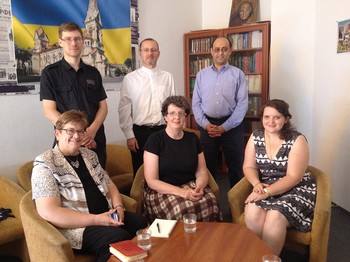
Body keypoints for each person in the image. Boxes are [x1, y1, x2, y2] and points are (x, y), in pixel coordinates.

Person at [31, 110, 147, 262]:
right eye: (70, 131)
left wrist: (119, 206)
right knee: (118, 237)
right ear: (57, 133)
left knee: (140, 223)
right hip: (77, 226)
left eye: (80, 131)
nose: (77, 136)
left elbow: (109, 183)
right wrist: (98, 220)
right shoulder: (45, 163)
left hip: (106, 213)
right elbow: (49, 212)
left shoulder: (89, 155)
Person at [243, 99, 316, 255]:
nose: (271, 121)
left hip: (296, 189)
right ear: (261, 118)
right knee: (251, 210)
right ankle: (255, 255)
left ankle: (269, 258)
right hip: (266, 186)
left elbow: (294, 177)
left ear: (286, 119)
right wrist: (256, 184)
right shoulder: (256, 136)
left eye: (277, 117)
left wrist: (266, 192)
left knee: (274, 217)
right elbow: (248, 166)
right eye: (267, 117)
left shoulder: (297, 140)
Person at [142, 96, 222, 223]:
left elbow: (202, 171)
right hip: (161, 189)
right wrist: (181, 192)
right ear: (165, 116)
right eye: (172, 113)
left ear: (185, 116)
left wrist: (199, 187)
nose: (177, 117)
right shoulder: (155, 141)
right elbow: (152, 181)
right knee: (181, 209)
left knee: (211, 201)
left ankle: (206, 241)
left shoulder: (193, 139)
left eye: (181, 113)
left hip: (189, 185)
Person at [40, 22, 108, 168]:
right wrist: (77, 133)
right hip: (68, 143)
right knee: (69, 188)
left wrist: (92, 130)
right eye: (68, 39)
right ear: (60, 42)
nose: (73, 43)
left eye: (77, 38)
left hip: (94, 140)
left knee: (99, 186)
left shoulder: (93, 72)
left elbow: (103, 107)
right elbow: (49, 110)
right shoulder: (50, 73)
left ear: (83, 41)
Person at [192, 36, 248, 187]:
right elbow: (196, 104)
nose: (220, 53)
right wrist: (205, 124)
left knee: (236, 168)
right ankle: (211, 206)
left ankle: (235, 209)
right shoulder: (201, 75)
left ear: (230, 51)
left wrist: (225, 127)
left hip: (232, 126)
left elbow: (242, 105)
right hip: (207, 127)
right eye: (217, 49)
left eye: (224, 49)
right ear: (211, 51)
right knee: (207, 169)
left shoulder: (238, 75)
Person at [118, 38, 176, 177]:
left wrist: (173, 130)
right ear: (140, 53)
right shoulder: (130, 79)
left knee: (166, 169)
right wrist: (129, 135)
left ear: (158, 53)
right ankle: (141, 200)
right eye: (146, 50)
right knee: (140, 173)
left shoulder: (168, 77)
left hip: (164, 131)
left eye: (153, 50)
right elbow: (124, 109)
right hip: (139, 134)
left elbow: (174, 106)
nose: (150, 53)